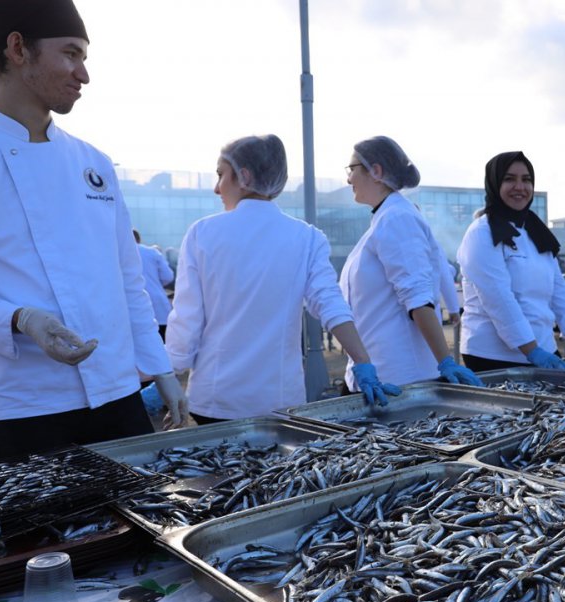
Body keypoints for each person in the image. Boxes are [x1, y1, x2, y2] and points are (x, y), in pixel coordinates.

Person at [0, 0, 187, 462]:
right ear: (18, 49)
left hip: (119, 396)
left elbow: (128, 283)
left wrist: (160, 372)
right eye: (71, 53)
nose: (84, 74)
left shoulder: (94, 163)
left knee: (139, 532)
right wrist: (19, 319)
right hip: (27, 410)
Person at [167, 135, 398, 424]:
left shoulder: (202, 234)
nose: (216, 188)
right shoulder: (307, 238)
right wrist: (363, 363)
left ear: (244, 176)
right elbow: (331, 306)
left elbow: (186, 320)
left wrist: (169, 374)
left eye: (220, 175)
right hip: (279, 400)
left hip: (216, 399)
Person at [457, 151, 565, 372]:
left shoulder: (535, 230)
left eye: (526, 179)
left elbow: (558, 288)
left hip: (542, 346)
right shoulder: (481, 233)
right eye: (509, 179)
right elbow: (497, 298)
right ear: (493, 183)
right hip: (494, 354)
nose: (520, 187)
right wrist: (531, 351)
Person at [341, 136, 481, 390]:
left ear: (376, 171)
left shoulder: (397, 218)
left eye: (351, 169)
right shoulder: (385, 217)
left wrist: (446, 361)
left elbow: (418, 297)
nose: (348, 178)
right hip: (382, 373)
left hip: (402, 378)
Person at [133, 229, 174, 340]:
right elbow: (168, 276)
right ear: (139, 239)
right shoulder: (152, 252)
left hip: (132, 310)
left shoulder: (116, 253)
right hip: (158, 306)